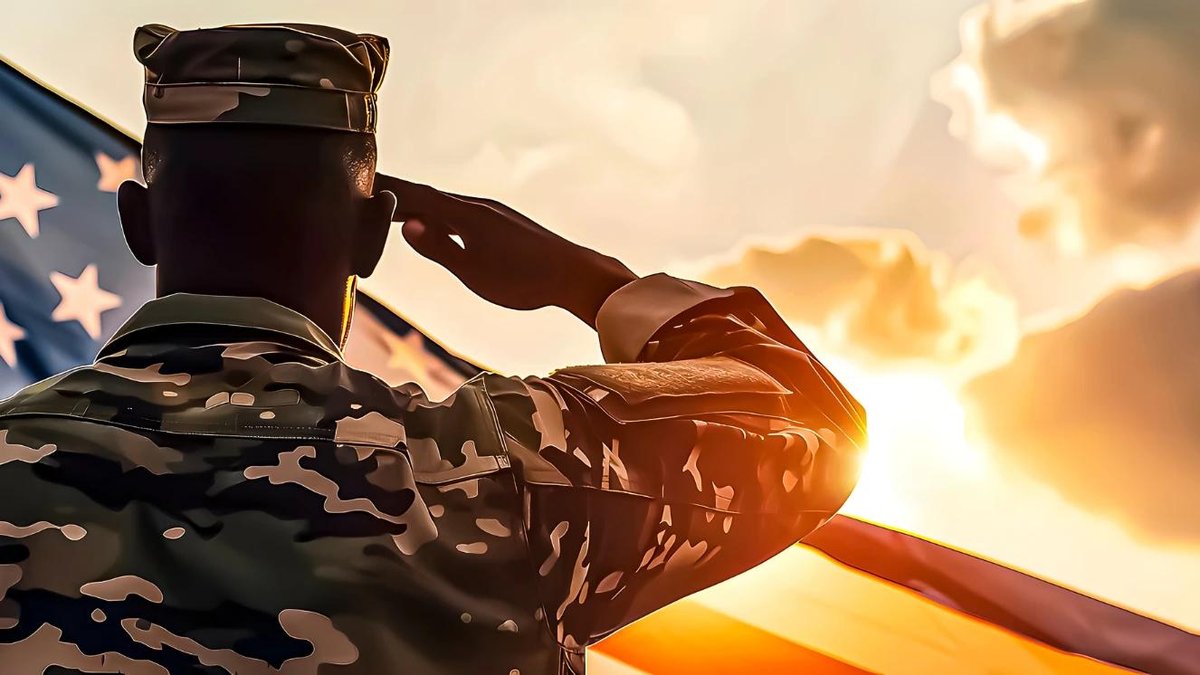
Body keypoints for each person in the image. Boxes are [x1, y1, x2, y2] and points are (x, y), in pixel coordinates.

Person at [0, 22, 866, 675]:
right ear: (375, 239)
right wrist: (592, 282)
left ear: (138, 223)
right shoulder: (508, 470)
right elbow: (814, 422)